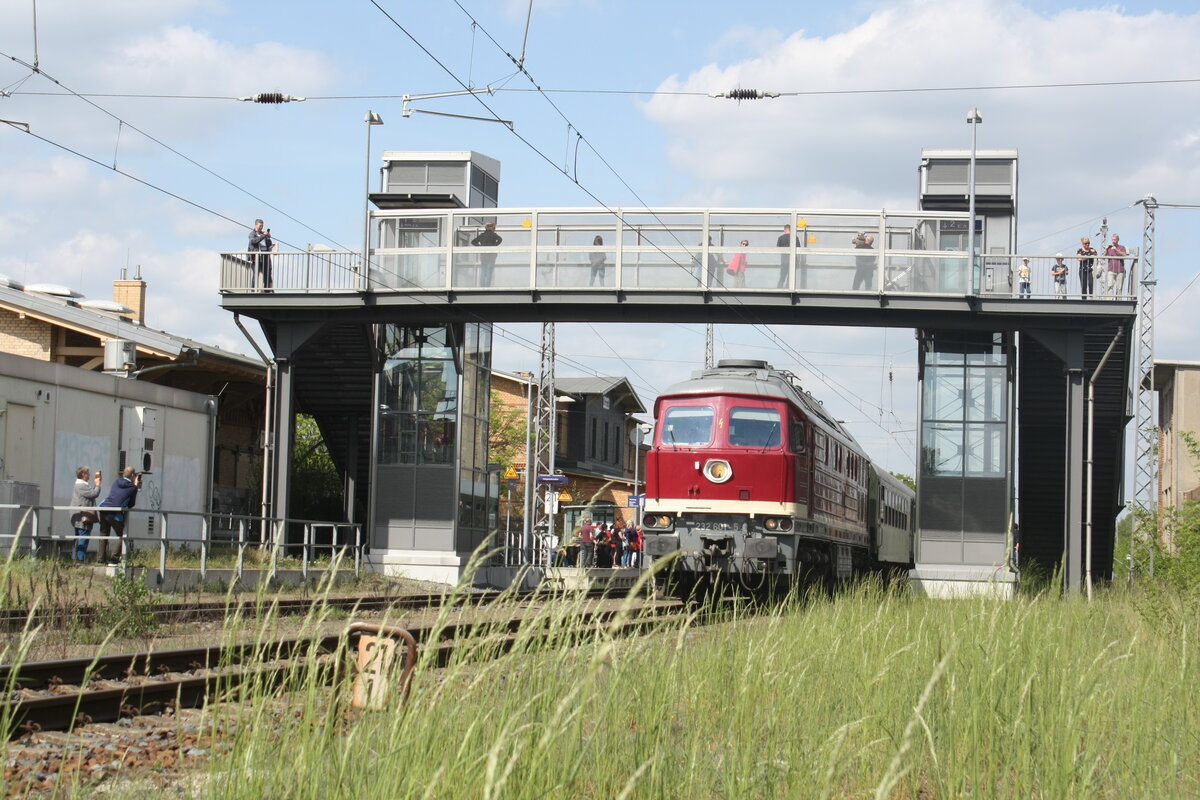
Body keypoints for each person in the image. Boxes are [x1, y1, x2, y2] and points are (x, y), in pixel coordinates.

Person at [97, 466, 140, 565]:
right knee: (122, 535)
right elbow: (131, 504)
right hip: (114, 512)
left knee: (104, 534)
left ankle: (100, 560)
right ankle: (113, 559)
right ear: (133, 475)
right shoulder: (133, 488)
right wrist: (136, 486)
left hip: (103, 509)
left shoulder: (116, 482)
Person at [69, 466, 101, 563]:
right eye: (88, 473)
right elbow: (93, 494)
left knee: (79, 536)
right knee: (83, 536)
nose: (89, 475)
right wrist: (98, 485)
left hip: (79, 515)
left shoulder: (79, 485)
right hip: (83, 516)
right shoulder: (81, 486)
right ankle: (79, 559)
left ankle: (75, 558)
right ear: (83, 474)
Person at [470, 221, 502, 287]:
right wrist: (494, 246)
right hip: (491, 256)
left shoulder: (482, 235)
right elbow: (500, 239)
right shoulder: (493, 235)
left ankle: (482, 286)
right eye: (494, 227)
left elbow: (473, 242)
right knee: (489, 271)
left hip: (483, 255)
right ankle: (487, 286)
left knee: (483, 270)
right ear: (491, 227)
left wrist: (480, 247)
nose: (495, 228)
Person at [247, 219, 273, 291]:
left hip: (264, 257)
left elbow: (268, 245)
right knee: (256, 274)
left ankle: (267, 290)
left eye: (262, 225)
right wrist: (263, 236)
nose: (261, 227)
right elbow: (253, 241)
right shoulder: (252, 234)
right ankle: (253, 290)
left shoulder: (263, 234)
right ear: (256, 225)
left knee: (266, 274)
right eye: (260, 225)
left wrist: (268, 238)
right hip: (255, 258)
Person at [776, 224, 796, 289]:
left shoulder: (780, 238)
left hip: (784, 261)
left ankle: (778, 289)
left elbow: (777, 249)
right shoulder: (795, 238)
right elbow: (798, 250)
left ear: (784, 229)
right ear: (791, 229)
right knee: (790, 278)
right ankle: (788, 289)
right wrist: (798, 262)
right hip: (792, 262)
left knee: (782, 277)